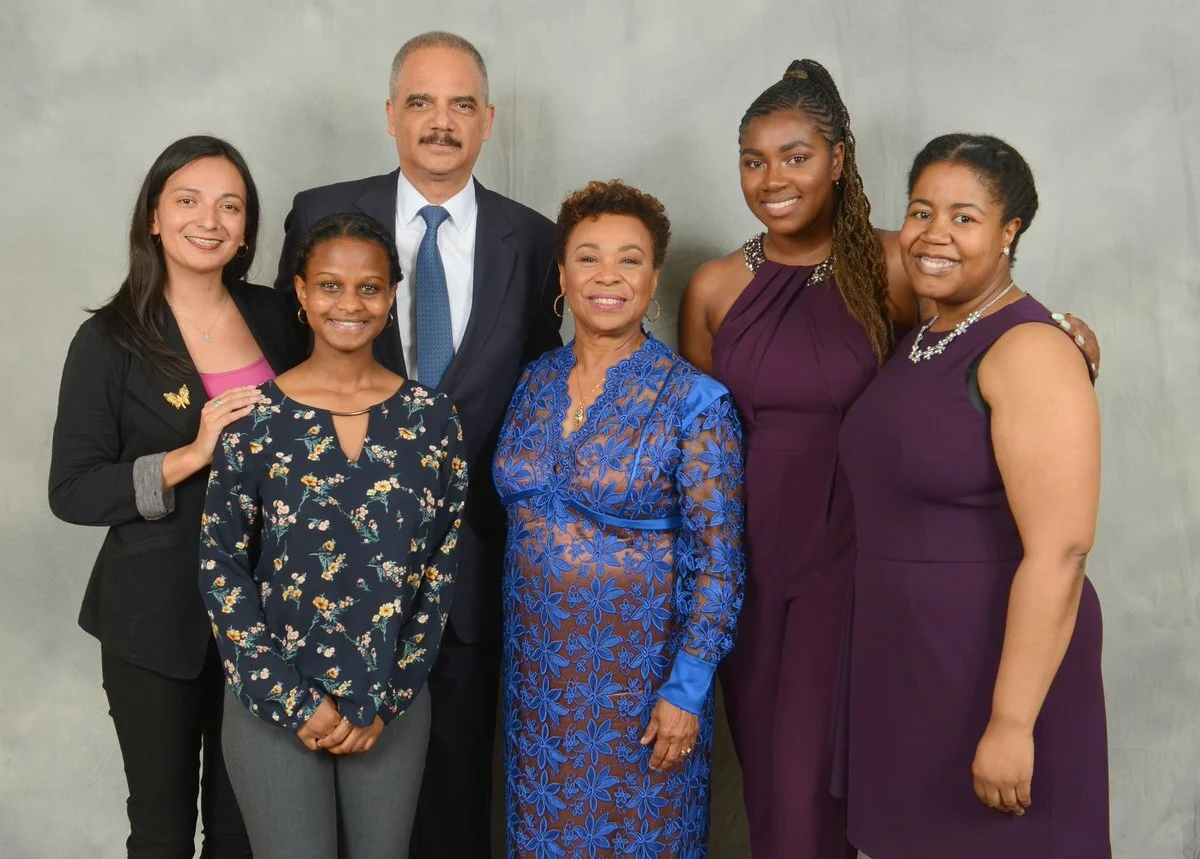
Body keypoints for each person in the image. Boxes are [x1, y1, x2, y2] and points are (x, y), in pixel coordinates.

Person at [678, 60, 1103, 859]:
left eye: (797, 155)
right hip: (753, 570)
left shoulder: (901, 265)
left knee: (836, 799)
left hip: (856, 569)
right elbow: (701, 447)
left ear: (839, 160)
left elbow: (986, 331)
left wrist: (1067, 344)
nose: (773, 178)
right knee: (776, 789)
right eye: (754, 159)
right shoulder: (712, 288)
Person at [273, 32, 559, 855]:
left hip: (468, 578)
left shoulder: (534, 241)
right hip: (330, 583)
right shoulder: (317, 211)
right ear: (391, 116)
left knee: (453, 806)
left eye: (462, 104)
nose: (442, 121)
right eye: (423, 103)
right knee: (321, 814)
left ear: (489, 121)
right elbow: (286, 379)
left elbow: (540, 395)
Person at [837, 133, 1109, 857]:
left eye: (965, 217)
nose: (935, 234)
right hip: (906, 664)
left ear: (1009, 230)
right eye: (922, 211)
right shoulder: (926, 331)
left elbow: (1062, 549)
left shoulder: (1030, 348)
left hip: (994, 663)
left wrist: (1013, 721)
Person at [49, 134, 300, 857]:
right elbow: (71, 488)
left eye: (230, 205)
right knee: (161, 832)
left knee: (244, 829)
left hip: (267, 617)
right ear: (153, 217)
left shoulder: (280, 316)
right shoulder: (109, 339)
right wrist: (191, 454)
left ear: (247, 227)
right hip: (154, 621)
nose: (210, 220)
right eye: (188, 200)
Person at [202, 213, 468, 858]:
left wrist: (388, 696)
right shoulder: (254, 421)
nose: (349, 304)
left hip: (388, 703)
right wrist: (290, 701)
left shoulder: (433, 421)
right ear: (299, 292)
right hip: (273, 699)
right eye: (329, 285)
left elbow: (438, 576)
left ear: (392, 296)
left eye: (369, 287)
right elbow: (220, 568)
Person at [494, 180, 746, 857]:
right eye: (588, 257)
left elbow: (718, 562)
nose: (608, 276)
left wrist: (686, 691)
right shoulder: (532, 382)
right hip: (539, 690)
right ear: (562, 274)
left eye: (629, 259)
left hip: (644, 690)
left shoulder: (695, 399)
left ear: (654, 276)